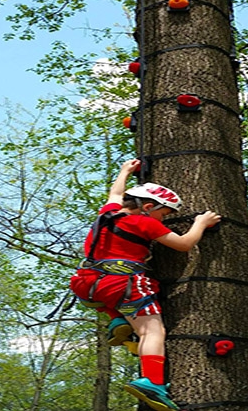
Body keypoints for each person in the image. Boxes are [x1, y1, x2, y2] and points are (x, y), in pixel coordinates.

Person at [70, 159, 221, 411]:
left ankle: (119, 320)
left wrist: (124, 171)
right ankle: (152, 381)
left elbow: (116, 192)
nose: (163, 220)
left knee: (120, 306)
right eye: (163, 215)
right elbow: (184, 244)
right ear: (148, 207)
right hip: (123, 282)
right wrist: (200, 224)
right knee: (152, 331)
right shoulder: (145, 222)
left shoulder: (107, 214)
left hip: (86, 282)